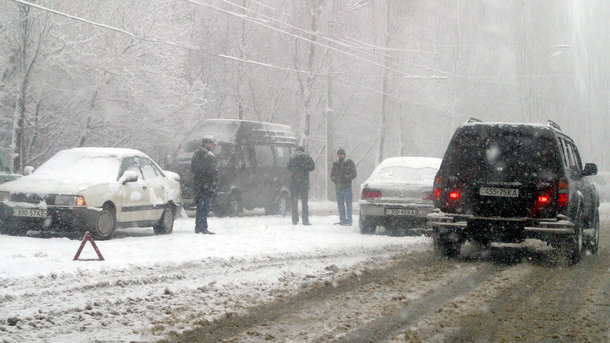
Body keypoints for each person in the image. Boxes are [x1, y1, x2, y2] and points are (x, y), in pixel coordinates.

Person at [191, 135, 218, 234]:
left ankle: (199, 227)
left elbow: (193, 170)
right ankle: (203, 227)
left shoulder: (196, 154)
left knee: (200, 207)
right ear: (207, 144)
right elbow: (212, 172)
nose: (213, 146)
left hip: (198, 185)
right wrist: (211, 185)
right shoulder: (209, 156)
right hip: (206, 186)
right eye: (212, 144)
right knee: (204, 208)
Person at [288, 146, 315, 225]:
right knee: (304, 202)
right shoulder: (307, 157)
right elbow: (312, 167)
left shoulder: (292, 157)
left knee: (294, 201)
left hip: (294, 182)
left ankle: (295, 219)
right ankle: (305, 220)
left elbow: (288, 167)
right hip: (304, 182)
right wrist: (305, 168)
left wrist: (295, 170)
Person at [330, 148, 357, 226]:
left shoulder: (349, 162)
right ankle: (342, 219)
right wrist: (335, 180)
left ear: (344, 155)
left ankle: (349, 219)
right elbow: (331, 175)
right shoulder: (335, 164)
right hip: (338, 187)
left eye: (341, 154)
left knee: (348, 204)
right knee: (340, 204)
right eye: (339, 154)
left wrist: (347, 177)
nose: (340, 156)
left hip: (347, 186)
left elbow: (354, 174)